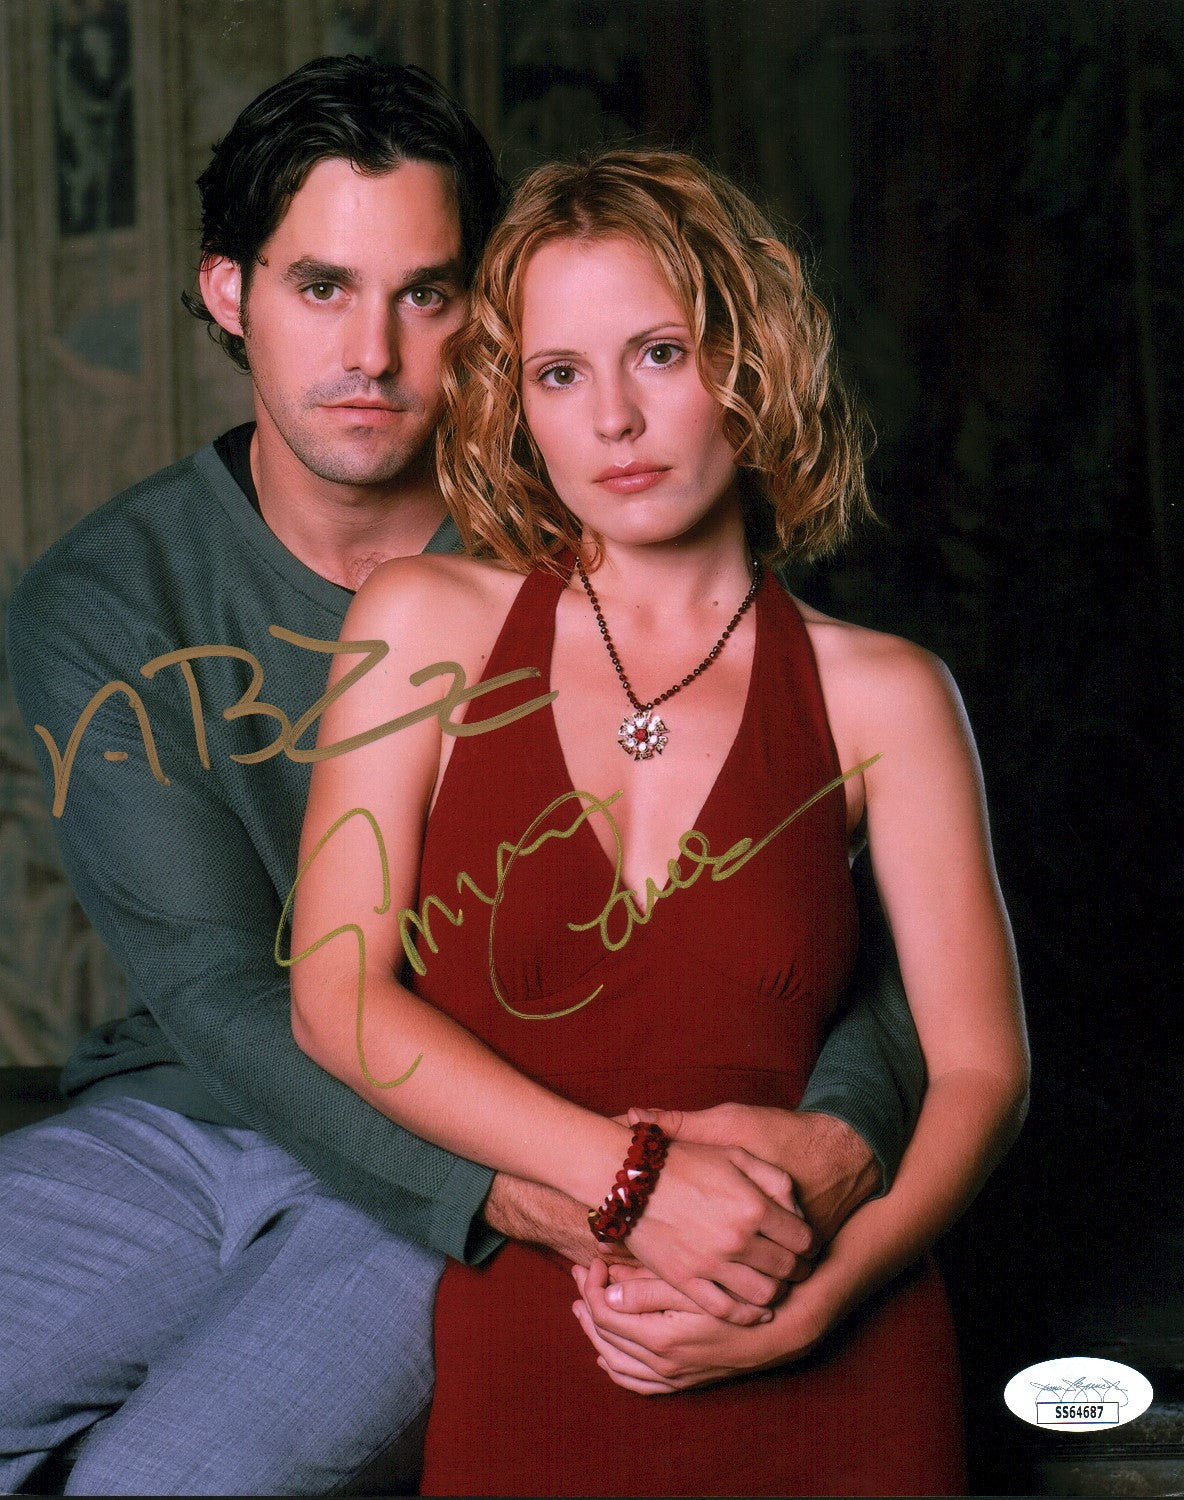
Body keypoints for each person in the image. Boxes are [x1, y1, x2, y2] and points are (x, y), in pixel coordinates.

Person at [2, 58, 923, 1497]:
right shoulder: (106, 600)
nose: (371, 351)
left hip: (505, 1121)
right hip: (194, 1123)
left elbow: (858, 918)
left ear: (484, 312)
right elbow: (227, 994)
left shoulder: (627, 515)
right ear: (231, 293)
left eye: (425, 293)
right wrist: (565, 1191)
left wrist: (838, 1134)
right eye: (321, 287)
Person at [288, 148, 1030, 1498]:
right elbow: (336, 997)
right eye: (561, 374)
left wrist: (821, 1300)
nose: (616, 421)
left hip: (830, 1344)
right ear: (517, 404)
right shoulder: (422, 624)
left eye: (661, 354)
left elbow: (982, 1072)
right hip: (544, 1341)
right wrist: (629, 1181)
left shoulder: (887, 693)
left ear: (752, 364)